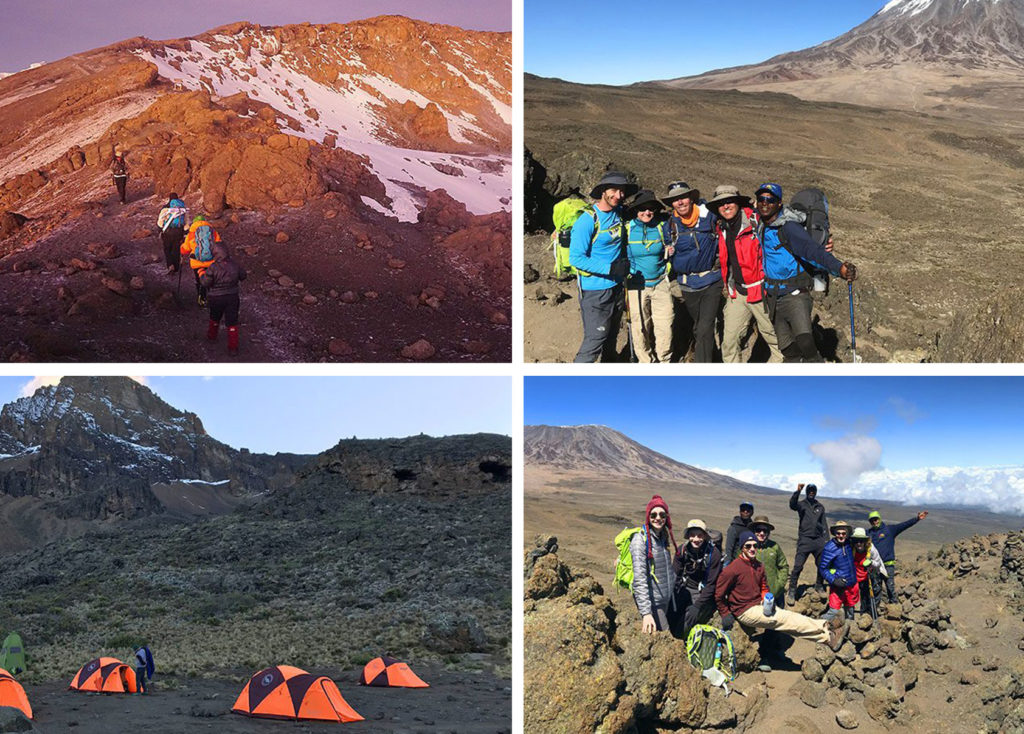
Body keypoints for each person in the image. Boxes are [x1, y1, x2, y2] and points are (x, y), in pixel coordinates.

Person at [753, 182, 857, 362]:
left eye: (770, 200)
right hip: (772, 296)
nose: (765, 203)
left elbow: (812, 251)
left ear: (779, 203)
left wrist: (838, 268)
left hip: (795, 294)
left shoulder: (788, 228)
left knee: (805, 343)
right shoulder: (762, 224)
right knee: (788, 349)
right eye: (761, 199)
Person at [715, 531, 846, 650]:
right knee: (784, 619)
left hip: (759, 604)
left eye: (755, 545)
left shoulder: (759, 565)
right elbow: (719, 593)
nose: (752, 549)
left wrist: (766, 597)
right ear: (742, 548)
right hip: (744, 610)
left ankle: (827, 635)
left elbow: (764, 586)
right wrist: (725, 613)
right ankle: (827, 629)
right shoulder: (732, 569)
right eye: (748, 546)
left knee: (790, 618)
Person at [707, 185, 782, 363]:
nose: (726, 206)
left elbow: (787, 228)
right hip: (737, 293)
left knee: (775, 339)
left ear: (738, 203)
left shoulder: (757, 220)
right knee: (729, 343)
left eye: (730, 202)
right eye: (721, 203)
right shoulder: (721, 227)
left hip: (761, 291)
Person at [569, 171, 638, 362]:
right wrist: (610, 268)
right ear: (602, 191)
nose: (618, 195)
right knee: (595, 338)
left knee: (611, 336)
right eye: (613, 190)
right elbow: (576, 258)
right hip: (595, 291)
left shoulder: (619, 213)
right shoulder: (587, 221)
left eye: (622, 191)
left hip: (616, 287)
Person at [663, 181, 720, 362]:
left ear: (691, 198)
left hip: (712, 280)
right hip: (688, 285)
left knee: (704, 326)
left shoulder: (709, 215)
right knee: (698, 326)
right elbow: (669, 252)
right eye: (675, 200)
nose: (680, 202)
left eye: (683, 198)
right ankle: (708, 355)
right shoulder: (670, 225)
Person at [623, 189, 674, 362]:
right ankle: (646, 362)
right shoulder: (627, 228)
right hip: (635, 285)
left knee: (665, 325)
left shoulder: (662, 227)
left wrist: (670, 250)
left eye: (651, 208)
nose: (647, 212)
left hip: (660, 283)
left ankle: (664, 360)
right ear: (635, 210)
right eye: (643, 208)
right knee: (639, 326)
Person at [630, 495, 678, 634]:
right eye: (653, 514)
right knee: (666, 639)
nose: (658, 518)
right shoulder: (640, 540)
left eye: (662, 514)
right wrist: (646, 613)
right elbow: (639, 579)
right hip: (653, 603)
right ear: (648, 516)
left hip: (666, 599)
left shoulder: (663, 537)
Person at [671, 519, 722, 639]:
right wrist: (674, 595)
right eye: (692, 535)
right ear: (688, 536)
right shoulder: (682, 550)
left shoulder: (713, 554)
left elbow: (711, 584)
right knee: (670, 615)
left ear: (705, 536)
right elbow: (675, 575)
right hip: (685, 587)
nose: (696, 539)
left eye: (699, 535)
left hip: (703, 592)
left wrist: (697, 606)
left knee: (684, 626)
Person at [867, 509, 929, 603]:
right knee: (876, 589)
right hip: (876, 565)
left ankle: (894, 607)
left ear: (879, 519)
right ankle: (875, 611)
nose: (874, 522)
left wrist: (917, 519)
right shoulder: (868, 533)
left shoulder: (890, 529)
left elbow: (904, 525)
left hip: (888, 564)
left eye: (876, 519)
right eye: (872, 520)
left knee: (890, 587)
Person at [200, 242, 247, 356]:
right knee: (232, 322)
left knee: (215, 318)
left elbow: (205, 283)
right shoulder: (235, 264)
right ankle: (233, 348)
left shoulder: (213, 267)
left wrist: (201, 273)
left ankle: (212, 336)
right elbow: (243, 276)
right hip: (232, 296)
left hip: (216, 297)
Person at [786, 483, 829, 604]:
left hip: (818, 540)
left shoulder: (820, 507)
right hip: (805, 539)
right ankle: (792, 590)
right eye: (809, 490)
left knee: (822, 565)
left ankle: (819, 585)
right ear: (807, 491)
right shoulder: (801, 504)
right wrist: (798, 491)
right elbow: (792, 505)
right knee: (798, 566)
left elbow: (824, 523)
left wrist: (826, 540)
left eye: (813, 490)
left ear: (815, 492)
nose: (811, 492)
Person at [819, 520, 857, 621]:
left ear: (847, 534)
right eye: (838, 533)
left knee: (850, 610)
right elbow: (823, 569)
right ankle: (818, 626)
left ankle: (848, 631)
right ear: (835, 534)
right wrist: (834, 580)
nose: (841, 536)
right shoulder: (829, 548)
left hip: (851, 585)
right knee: (834, 611)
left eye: (843, 533)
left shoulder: (849, 543)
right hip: (838, 585)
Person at [181, 214, 220, 307]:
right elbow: (219, 245)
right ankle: (213, 297)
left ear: (194, 223)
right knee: (211, 279)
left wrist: (181, 249)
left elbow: (185, 249)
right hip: (211, 261)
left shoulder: (191, 234)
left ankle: (202, 299)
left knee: (199, 280)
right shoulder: (212, 231)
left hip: (197, 262)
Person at [750, 516, 789, 608]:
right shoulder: (748, 547)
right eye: (759, 530)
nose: (762, 533)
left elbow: (783, 566)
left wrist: (779, 584)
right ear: (753, 531)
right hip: (755, 595)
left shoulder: (774, 546)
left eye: (765, 530)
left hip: (775, 593)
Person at [850, 527, 887, 616]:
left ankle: (871, 614)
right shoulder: (852, 549)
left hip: (872, 573)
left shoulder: (871, 549)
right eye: (856, 541)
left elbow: (878, 563)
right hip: (860, 575)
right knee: (863, 595)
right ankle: (864, 614)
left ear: (865, 541)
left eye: (861, 541)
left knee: (873, 594)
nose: (859, 543)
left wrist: (871, 563)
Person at [156, 194, 187, 274]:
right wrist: (185, 232)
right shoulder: (182, 209)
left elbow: (160, 220)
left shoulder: (166, 208)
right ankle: (176, 267)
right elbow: (186, 222)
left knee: (167, 249)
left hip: (168, 232)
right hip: (179, 231)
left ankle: (170, 265)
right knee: (176, 249)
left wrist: (160, 230)